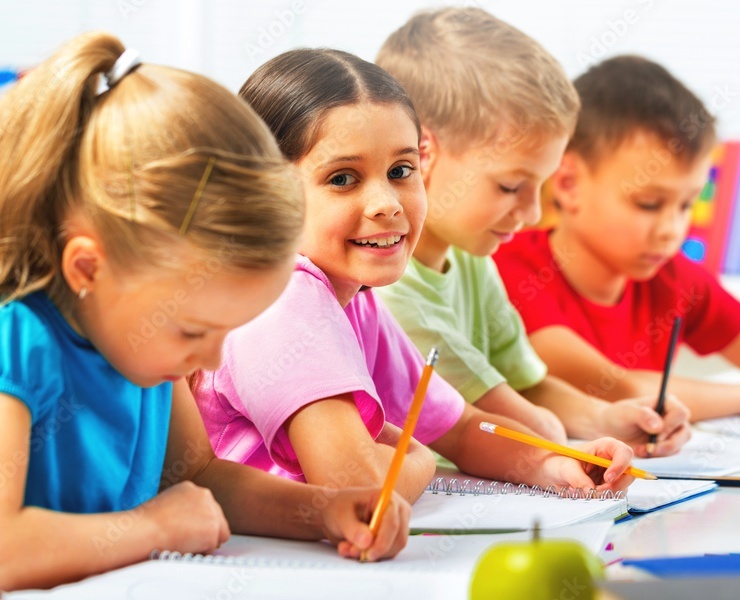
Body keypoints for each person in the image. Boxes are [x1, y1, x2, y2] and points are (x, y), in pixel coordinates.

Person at [0, 33, 409, 600]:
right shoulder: (10, 346)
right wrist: (151, 529)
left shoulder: (145, 349)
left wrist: (324, 510)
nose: (213, 358)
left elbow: (201, 480)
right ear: (89, 269)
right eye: (195, 330)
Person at [194, 48, 636, 507]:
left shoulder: (356, 301)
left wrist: (558, 462)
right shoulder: (283, 299)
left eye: (401, 170)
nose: (387, 202)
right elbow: (361, 487)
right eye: (343, 178)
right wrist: (418, 457)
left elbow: (463, 429)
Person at [374, 8, 691, 454]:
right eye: (510, 185)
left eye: (539, 185)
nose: (534, 210)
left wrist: (607, 418)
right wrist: (571, 436)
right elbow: (521, 422)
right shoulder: (383, 287)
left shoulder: (472, 259)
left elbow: (530, 386)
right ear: (422, 154)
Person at [494, 55, 740, 428]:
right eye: (649, 203)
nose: (672, 230)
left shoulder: (676, 278)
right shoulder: (507, 270)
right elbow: (620, 389)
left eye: (687, 204)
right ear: (569, 183)